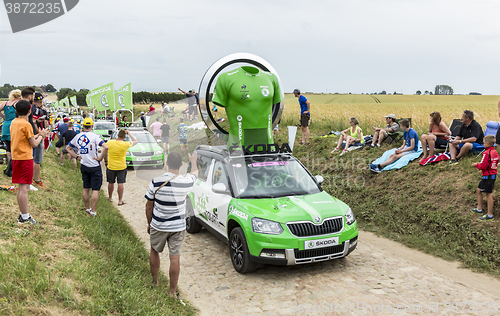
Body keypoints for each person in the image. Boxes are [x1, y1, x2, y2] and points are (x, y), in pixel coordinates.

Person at [144, 151, 198, 296]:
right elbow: (195, 173)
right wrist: (193, 161)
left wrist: (150, 223)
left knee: (154, 251)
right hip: (178, 227)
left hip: (158, 225)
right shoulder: (186, 182)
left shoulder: (156, 181)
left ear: (166, 163)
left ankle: (155, 282)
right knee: (175, 258)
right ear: (181, 165)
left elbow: (149, 206)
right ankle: (172, 292)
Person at [10, 100, 49, 224]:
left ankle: (23, 214)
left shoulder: (13, 122)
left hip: (16, 157)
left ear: (16, 111)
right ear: (29, 111)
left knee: (21, 187)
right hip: (25, 158)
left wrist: (39, 135)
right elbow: (34, 144)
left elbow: (26, 140)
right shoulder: (26, 124)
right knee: (25, 188)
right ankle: (25, 216)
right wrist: (42, 136)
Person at [66, 118, 108, 217]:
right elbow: (105, 147)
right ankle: (93, 211)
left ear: (83, 126)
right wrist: (100, 158)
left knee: (86, 188)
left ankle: (87, 208)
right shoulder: (95, 136)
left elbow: (68, 148)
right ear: (92, 126)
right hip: (94, 165)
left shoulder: (78, 136)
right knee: (95, 189)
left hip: (84, 164)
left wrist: (76, 157)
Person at [106, 129, 137, 205]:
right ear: (124, 136)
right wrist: (129, 132)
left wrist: (106, 161)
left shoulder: (110, 142)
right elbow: (135, 141)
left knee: (111, 182)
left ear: (117, 135)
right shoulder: (125, 144)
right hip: (121, 167)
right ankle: (120, 201)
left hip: (111, 166)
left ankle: (110, 197)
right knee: (120, 183)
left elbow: (104, 150)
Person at [471, 135, 498, 221]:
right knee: (479, 190)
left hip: (488, 176)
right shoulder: (495, 152)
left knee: (488, 194)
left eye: (483, 142)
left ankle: (490, 214)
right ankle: (479, 209)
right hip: (491, 175)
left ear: (487, 143)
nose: (483, 144)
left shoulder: (486, 153)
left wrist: (476, 165)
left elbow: (483, 166)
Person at [0, 89, 22, 177]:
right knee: (15, 146)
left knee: (8, 146)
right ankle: (13, 166)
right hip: (14, 125)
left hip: (5, 125)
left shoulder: (5, 103)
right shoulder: (17, 104)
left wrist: (3, 116)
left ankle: (10, 164)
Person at [32, 93, 48, 188]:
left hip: (30, 134)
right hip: (37, 135)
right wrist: (41, 133)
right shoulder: (38, 110)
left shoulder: (29, 107)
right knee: (37, 159)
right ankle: (36, 179)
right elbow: (34, 122)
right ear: (41, 101)